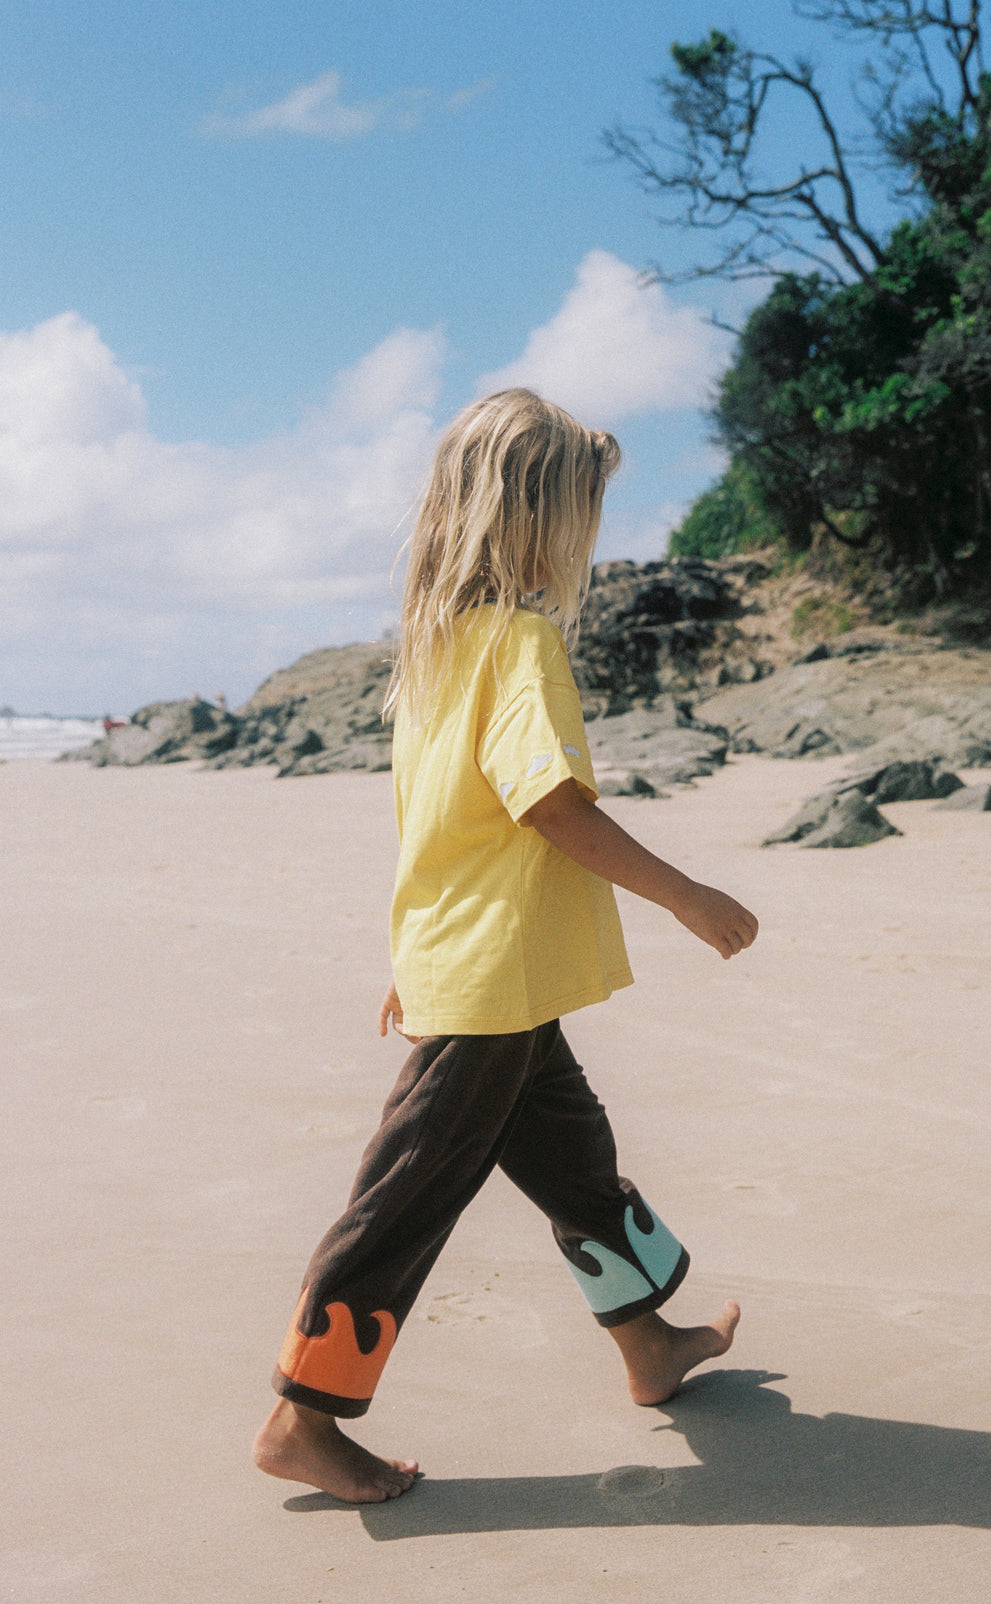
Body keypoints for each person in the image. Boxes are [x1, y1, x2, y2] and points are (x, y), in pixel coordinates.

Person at [252, 389, 758, 1504]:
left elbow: (443, 831)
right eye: (584, 513)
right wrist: (687, 894)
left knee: (578, 1161)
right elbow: (548, 806)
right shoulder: (521, 642)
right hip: (489, 984)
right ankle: (304, 1415)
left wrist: (413, 955)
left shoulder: (437, 646)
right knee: (405, 1198)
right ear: (541, 521)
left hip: (489, 972)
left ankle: (650, 1342)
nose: (588, 540)